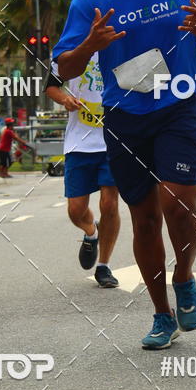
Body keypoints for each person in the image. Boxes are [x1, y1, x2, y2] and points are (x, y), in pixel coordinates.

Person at [52, 0, 196, 349]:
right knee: (145, 219)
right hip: (125, 113)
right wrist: (90, 45)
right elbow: (65, 68)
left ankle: (185, 276)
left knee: (180, 204)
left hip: (178, 104)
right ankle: (161, 314)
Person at [45, 54, 121, 287]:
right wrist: (65, 99)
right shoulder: (70, 47)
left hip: (113, 139)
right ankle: (91, 232)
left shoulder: (120, 40)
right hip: (80, 143)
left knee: (109, 204)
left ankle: (104, 266)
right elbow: (51, 86)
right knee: (75, 211)